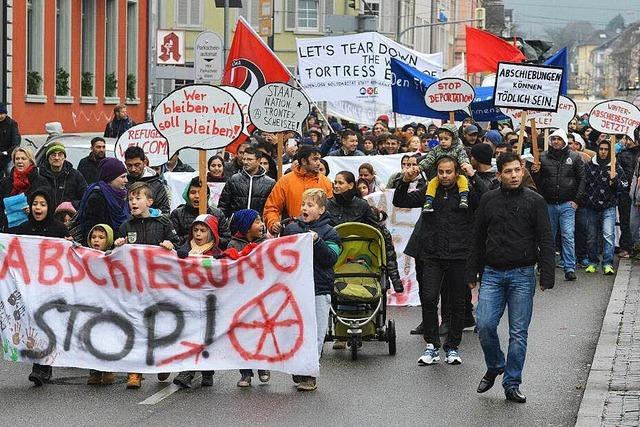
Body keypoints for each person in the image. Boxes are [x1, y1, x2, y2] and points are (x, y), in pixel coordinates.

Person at [467, 151, 555, 404]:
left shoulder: (535, 201)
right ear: (499, 174)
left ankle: (512, 382)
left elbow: (545, 239)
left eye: (517, 170)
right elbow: (477, 237)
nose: (514, 175)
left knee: (518, 333)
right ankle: (495, 364)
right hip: (492, 273)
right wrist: (471, 271)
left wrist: (547, 273)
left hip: (523, 274)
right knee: (484, 324)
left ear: (523, 170)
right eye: (508, 171)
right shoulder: (488, 200)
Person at [393, 156, 477, 367]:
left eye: (449, 172)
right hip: (431, 255)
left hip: (459, 255)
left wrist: (473, 176)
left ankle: (452, 346)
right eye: (441, 172)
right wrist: (404, 181)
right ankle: (431, 345)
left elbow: (485, 198)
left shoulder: (466, 192)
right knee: (429, 299)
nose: (445, 176)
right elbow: (400, 201)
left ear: (456, 172)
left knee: (458, 303)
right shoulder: (429, 191)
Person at [114, 181, 179, 389]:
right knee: (135, 326)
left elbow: (178, 245)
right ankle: (135, 371)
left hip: (158, 286)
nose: (133, 202)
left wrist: (171, 245)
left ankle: (161, 363)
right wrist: (117, 246)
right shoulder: (126, 226)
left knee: (158, 326)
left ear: (149, 201)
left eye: (138, 198)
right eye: (130, 199)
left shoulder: (163, 223)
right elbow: (115, 256)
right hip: (134, 286)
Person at [9, 187, 69, 386]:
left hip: (51, 287)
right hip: (29, 286)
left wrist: (70, 246)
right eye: (35, 203)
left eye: (43, 204)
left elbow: (68, 258)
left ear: (49, 206)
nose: (38, 207)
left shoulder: (59, 229)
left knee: (46, 324)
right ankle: (39, 365)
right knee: (33, 325)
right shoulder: (24, 229)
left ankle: (43, 367)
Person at [282, 189, 341, 391]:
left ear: (321, 209)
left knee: (316, 333)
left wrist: (317, 242)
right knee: (296, 331)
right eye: (303, 204)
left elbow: (331, 259)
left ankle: (309, 374)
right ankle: (299, 366)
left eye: (310, 205)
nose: (305, 208)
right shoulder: (291, 229)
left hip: (319, 288)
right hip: (295, 289)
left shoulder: (330, 232)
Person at [173, 214, 221, 389]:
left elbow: (219, 274)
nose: (198, 234)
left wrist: (215, 262)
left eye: (203, 231)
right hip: (188, 301)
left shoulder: (216, 253)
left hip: (208, 302)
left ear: (211, 233)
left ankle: (207, 371)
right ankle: (188, 371)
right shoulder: (185, 249)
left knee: (206, 337)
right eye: (196, 230)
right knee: (190, 336)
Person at [531, 128, 585, 281]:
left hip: (567, 204)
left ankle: (569, 268)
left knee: (568, 235)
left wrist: (576, 200)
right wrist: (535, 172)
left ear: (564, 141)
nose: (555, 142)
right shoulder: (542, 157)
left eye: (558, 139)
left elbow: (582, 179)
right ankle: (545, 265)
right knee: (548, 237)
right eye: (553, 139)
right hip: (548, 204)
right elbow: (538, 182)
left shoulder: (574, 157)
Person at [225, 209, 271, 387]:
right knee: (243, 335)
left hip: (262, 295)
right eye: (257, 221)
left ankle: (262, 365)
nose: (261, 225)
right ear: (245, 226)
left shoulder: (266, 243)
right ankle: (245, 373)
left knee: (262, 332)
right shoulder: (233, 245)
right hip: (242, 296)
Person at [263, 146, 333, 235]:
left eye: (319, 159)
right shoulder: (286, 181)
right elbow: (272, 208)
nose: (319, 163)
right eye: (315, 159)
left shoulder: (326, 182)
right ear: (303, 161)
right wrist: (273, 223)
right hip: (292, 233)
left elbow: (330, 211)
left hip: (320, 234)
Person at [582, 140, 627, 275]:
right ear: (597, 149)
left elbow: (624, 185)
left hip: (609, 206)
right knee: (591, 237)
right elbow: (583, 183)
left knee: (608, 235)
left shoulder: (615, 166)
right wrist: (584, 199)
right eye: (601, 149)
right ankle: (593, 262)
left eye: (606, 149)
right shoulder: (590, 165)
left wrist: (615, 181)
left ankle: (607, 263)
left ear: (610, 151)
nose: (603, 152)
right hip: (591, 206)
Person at [85, 224, 117, 386]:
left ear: (108, 240)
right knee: (92, 335)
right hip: (92, 303)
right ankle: (94, 370)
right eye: (94, 237)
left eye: (101, 237)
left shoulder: (114, 256)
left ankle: (108, 368)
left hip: (109, 304)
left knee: (108, 336)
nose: (96, 240)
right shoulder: (84, 255)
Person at [418, 124, 471, 212]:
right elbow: (429, 159)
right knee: (431, 183)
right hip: (440, 176)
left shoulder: (458, 149)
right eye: (441, 139)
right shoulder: (435, 149)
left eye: (446, 139)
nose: (443, 141)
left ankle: (464, 197)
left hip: (456, 175)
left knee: (463, 181)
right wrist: (420, 167)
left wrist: (465, 164)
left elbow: (463, 158)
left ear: (453, 139)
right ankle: (428, 202)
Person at [76, 158, 129, 244]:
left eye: (126, 176)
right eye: (122, 177)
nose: (126, 180)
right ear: (110, 177)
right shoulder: (96, 199)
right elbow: (93, 230)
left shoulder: (123, 195)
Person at [170, 177, 231, 248]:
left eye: (201, 193)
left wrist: (211, 239)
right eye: (193, 192)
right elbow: (172, 240)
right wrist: (192, 238)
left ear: (207, 196)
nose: (197, 196)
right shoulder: (177, 214)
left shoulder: (218, 214)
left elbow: (227, 240)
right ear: (187, 195)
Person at [0, 147, 49, 231]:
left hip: (34, 229)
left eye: (23, 159)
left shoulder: (41, 182)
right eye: (17, 159)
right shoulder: (6, 182)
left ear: (31, 161)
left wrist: (33, 209)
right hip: (10, 229)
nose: (20, 161)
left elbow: (49, 207)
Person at [218, 146, 275, 218]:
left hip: (258, 225)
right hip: (236, 225)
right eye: (244, 159)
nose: (245, 162)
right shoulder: (233, 179)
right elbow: (223, 205)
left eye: (249, 159)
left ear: (258, 161)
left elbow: (272, 208)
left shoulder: (270, 183)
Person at [39, 143, 87, 210]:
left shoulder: (75, 175)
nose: (56, 158)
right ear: (48, 158)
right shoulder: (39, 174)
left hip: (69, 217)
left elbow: (86, 198)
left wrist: (71, 205)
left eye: (60, 154)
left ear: (64, 157)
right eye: (53, 155)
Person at [124, 146, 170, 214]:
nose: (133, 169)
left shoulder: (156, 184)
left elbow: (165, 211)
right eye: (129, 165)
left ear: (144, 162)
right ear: (125, 163)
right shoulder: (123, 181)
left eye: (137, 165)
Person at [617, 131, 640, 258]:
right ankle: (626, 246)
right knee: (625, 220)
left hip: (638, 192)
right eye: (626, 139)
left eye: (630, 138)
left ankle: (636, 246)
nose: (628, 141)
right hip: (625, 192)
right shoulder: (622, 154)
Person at [0, 102, 21, 177]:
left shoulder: (12, 124)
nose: (0, 116)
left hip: (8, 156)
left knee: (10, 172)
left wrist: (6, 153)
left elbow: (16, 142)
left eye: (2, 113)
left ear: (6, 113)